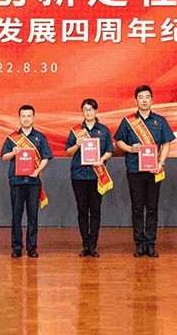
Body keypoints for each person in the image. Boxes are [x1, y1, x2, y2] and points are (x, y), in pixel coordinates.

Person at [114, 85, 175, 258]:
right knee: (137, 208)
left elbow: (166, 144)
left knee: (152, 208)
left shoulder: (160, 121)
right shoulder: (128, 121)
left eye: (147, 97)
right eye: (141, 97)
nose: (144, 100)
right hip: (134, 170)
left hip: (154, 170)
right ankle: (139, 244)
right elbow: (118, 141)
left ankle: (151, 244)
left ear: (152, 100)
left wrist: (161, 162)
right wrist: (130, 148)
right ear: (136, 101)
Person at [0, 105, 53, 258]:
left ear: (33, 118)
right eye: (23, 116)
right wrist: (13, 152)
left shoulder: (40, 137)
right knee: (16, 215)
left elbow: (46, 157)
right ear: (19, 118)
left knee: (33, 215)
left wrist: (38, 170)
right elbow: (3, 157)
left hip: (33, 181)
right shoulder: (12, 138)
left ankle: (32, 247)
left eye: (29, 116)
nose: (26, 119)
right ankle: (16, 247)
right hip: (16, 181)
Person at [64, 99, 115, 258]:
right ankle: (85, 244)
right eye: (85, 109)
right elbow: (68, 152)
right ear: (82, 112)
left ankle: (93, 245)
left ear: (96, 111)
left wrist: (102, 159)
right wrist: (77, 145)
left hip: (96, 175)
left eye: (91, 109)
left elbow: (110, 151)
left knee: (95, 210)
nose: (88, 112)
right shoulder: (75, 131)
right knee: (82, 210)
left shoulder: (104, 131)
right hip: (79, 175)